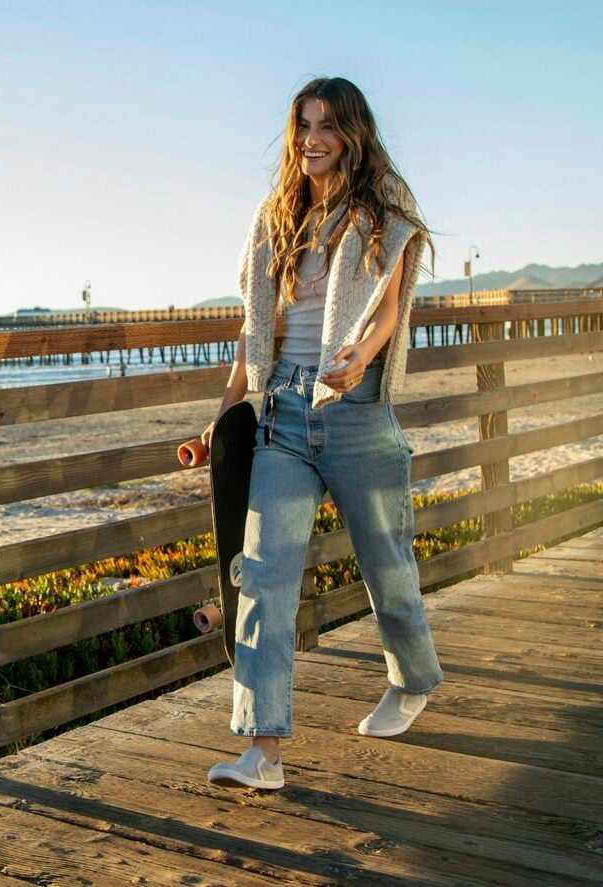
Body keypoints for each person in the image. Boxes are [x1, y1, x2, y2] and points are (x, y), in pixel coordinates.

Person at [202, 77, 444, 791]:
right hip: (282, 417)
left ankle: (413, 679)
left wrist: (357, 358)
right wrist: (220, 417)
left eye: (327, 124)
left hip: (358, 411)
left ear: (353, 133)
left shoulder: (383, 212)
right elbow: (254, 329)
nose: (312, 136)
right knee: (265, 577)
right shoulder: (275, 218)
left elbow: (386, 312)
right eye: (303, 123)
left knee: (388, 564)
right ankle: (263, 750)